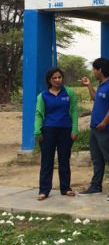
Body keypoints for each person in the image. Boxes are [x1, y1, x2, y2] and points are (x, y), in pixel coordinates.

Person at [78, 57, 109, 199]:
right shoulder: (102, 85)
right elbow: (95, 98)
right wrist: (89, 85)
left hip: (105, 130)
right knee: (97, 159)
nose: (93, 72)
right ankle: (95, 186)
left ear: (100, 70)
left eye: (94, 70)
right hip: (95, 129)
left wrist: (104, 123)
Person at [34, 67, 79, 200]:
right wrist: (37, 131)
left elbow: (74, 110)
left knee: (64, 160)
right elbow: (39, 114)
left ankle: (66, 188)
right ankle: (44, 190)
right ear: (49, 80)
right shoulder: (43, 95)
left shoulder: (69, 92)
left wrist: (75, 129)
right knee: (47, 161)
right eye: (54, 78)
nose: (58, 80)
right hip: (48, 131)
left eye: (59, 77)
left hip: (65, 130)